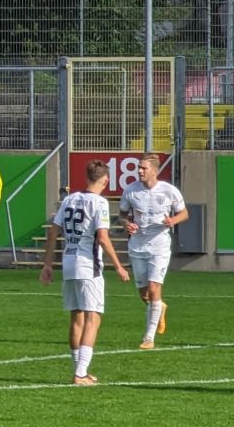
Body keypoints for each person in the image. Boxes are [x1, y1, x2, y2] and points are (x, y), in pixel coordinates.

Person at [41, 159, 131, 384]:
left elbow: (53, 233)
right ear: (105, 180)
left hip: (68, 262)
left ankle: (79, 369)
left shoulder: (69, 200)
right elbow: (102, 238)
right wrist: (118, 265)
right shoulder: (99, 203)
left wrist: (48, 264)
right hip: (88, 265)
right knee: (93, 317)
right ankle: (80, 373)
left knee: (76, 316)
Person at [119, 154, 188, 349]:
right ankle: (160, 308)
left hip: (159, 245)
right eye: (139, 168)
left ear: (154, 171)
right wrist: (126, 224)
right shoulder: (131, 191)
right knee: (144, 294)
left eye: (143, 168)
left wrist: (172, 221)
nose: (139, 171)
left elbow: (184, 213)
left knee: (153, 288)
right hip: (137, 245)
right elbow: (122, 214)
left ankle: (148, 338)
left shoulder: (169, 191)